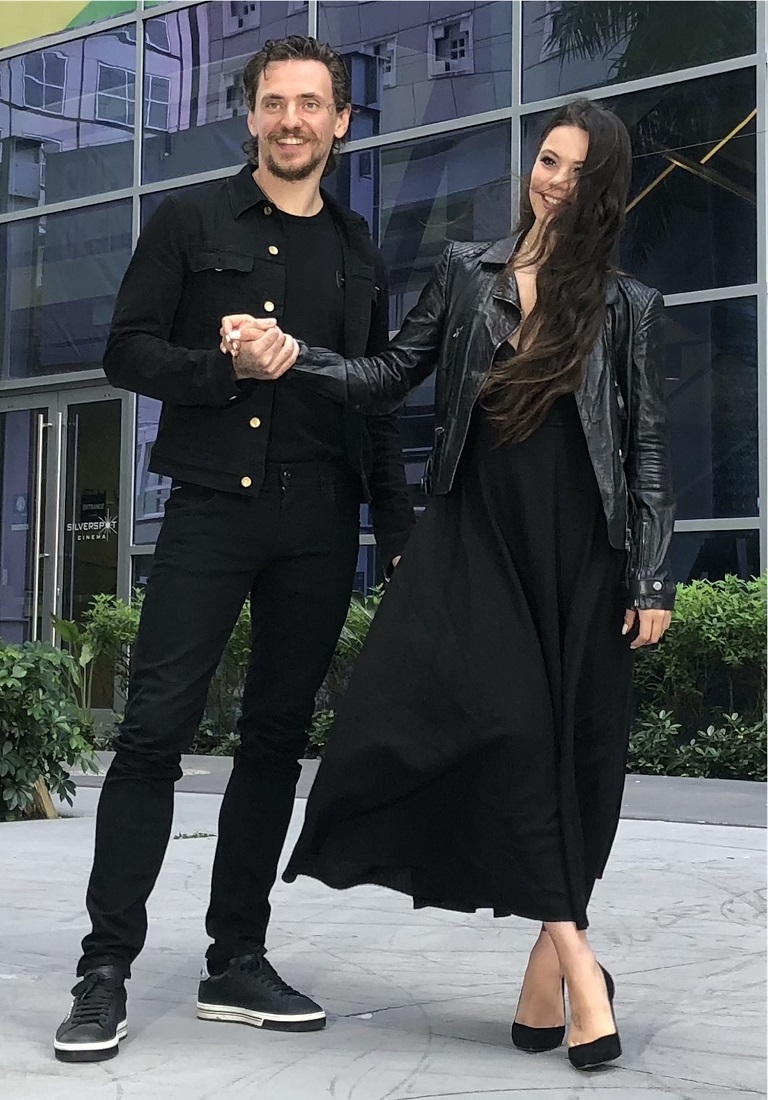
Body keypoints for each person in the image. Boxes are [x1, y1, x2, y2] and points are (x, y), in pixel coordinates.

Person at [222, 98, 676, 1071]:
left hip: (583, 552)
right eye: (545, 159)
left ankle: (545, 977)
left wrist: (653, 573)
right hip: (480, 541)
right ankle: (586, 972)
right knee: (512, 742)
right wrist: (297, 357)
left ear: (602, 188)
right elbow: (390, 375)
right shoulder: (470, 275)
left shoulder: (628, 304)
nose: (552, 179)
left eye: (574, 169)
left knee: (582, 765)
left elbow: (643, 452)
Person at [53, 36, 414, 1064]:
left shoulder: (358, 250)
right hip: (213, 508)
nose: (291, 120)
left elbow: (381, 402)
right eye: (273, 103)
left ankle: (235, 957)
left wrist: (396, 537)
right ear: (250, 115)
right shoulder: (188, 220)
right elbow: (126, 347)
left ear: (341, 121)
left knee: (272, 740)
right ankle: (105, 965)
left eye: (311, 104)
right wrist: (222, 363)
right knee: (154, 732)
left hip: (317, 518)